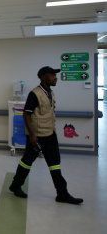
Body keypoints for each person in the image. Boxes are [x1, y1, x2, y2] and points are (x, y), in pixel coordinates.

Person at [8, 66, 83, 204]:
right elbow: (26, 114)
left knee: (55, 164)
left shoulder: (50, 93)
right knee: (27, 162)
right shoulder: (35, 94)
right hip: (37, 136)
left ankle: (62, 194)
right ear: (43, 77)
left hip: (50, 134)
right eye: (52, 75)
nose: (55, 77)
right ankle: (15, 185)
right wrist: (32, 136)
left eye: (55, 75)